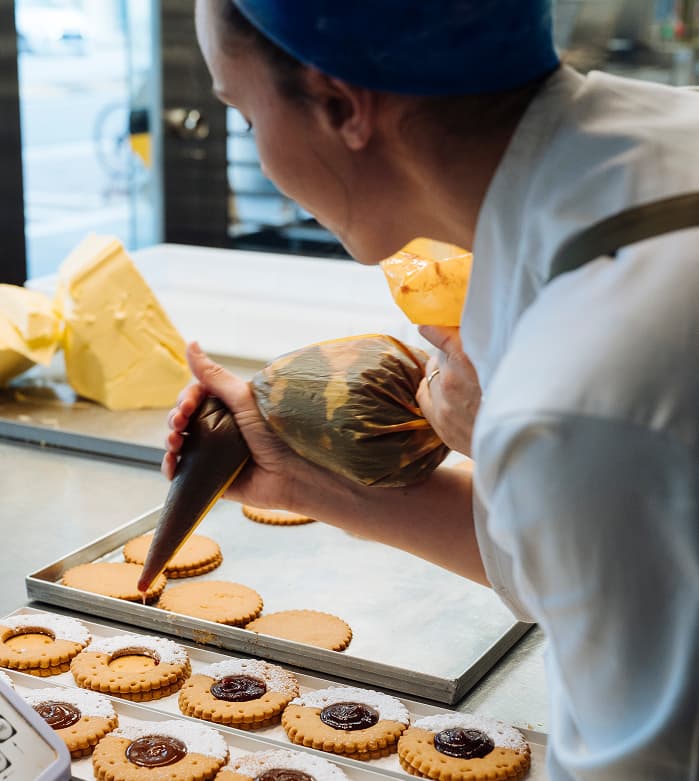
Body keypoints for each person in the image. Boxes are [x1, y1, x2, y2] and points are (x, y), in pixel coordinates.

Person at [164, 2, 699, 778]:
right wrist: (307, 482)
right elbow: (587, 559)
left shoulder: (577, 385)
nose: (259, 156)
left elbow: (641, 764)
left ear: (341, 106)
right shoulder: (653, 140)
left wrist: (506, 434)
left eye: (243, 115)